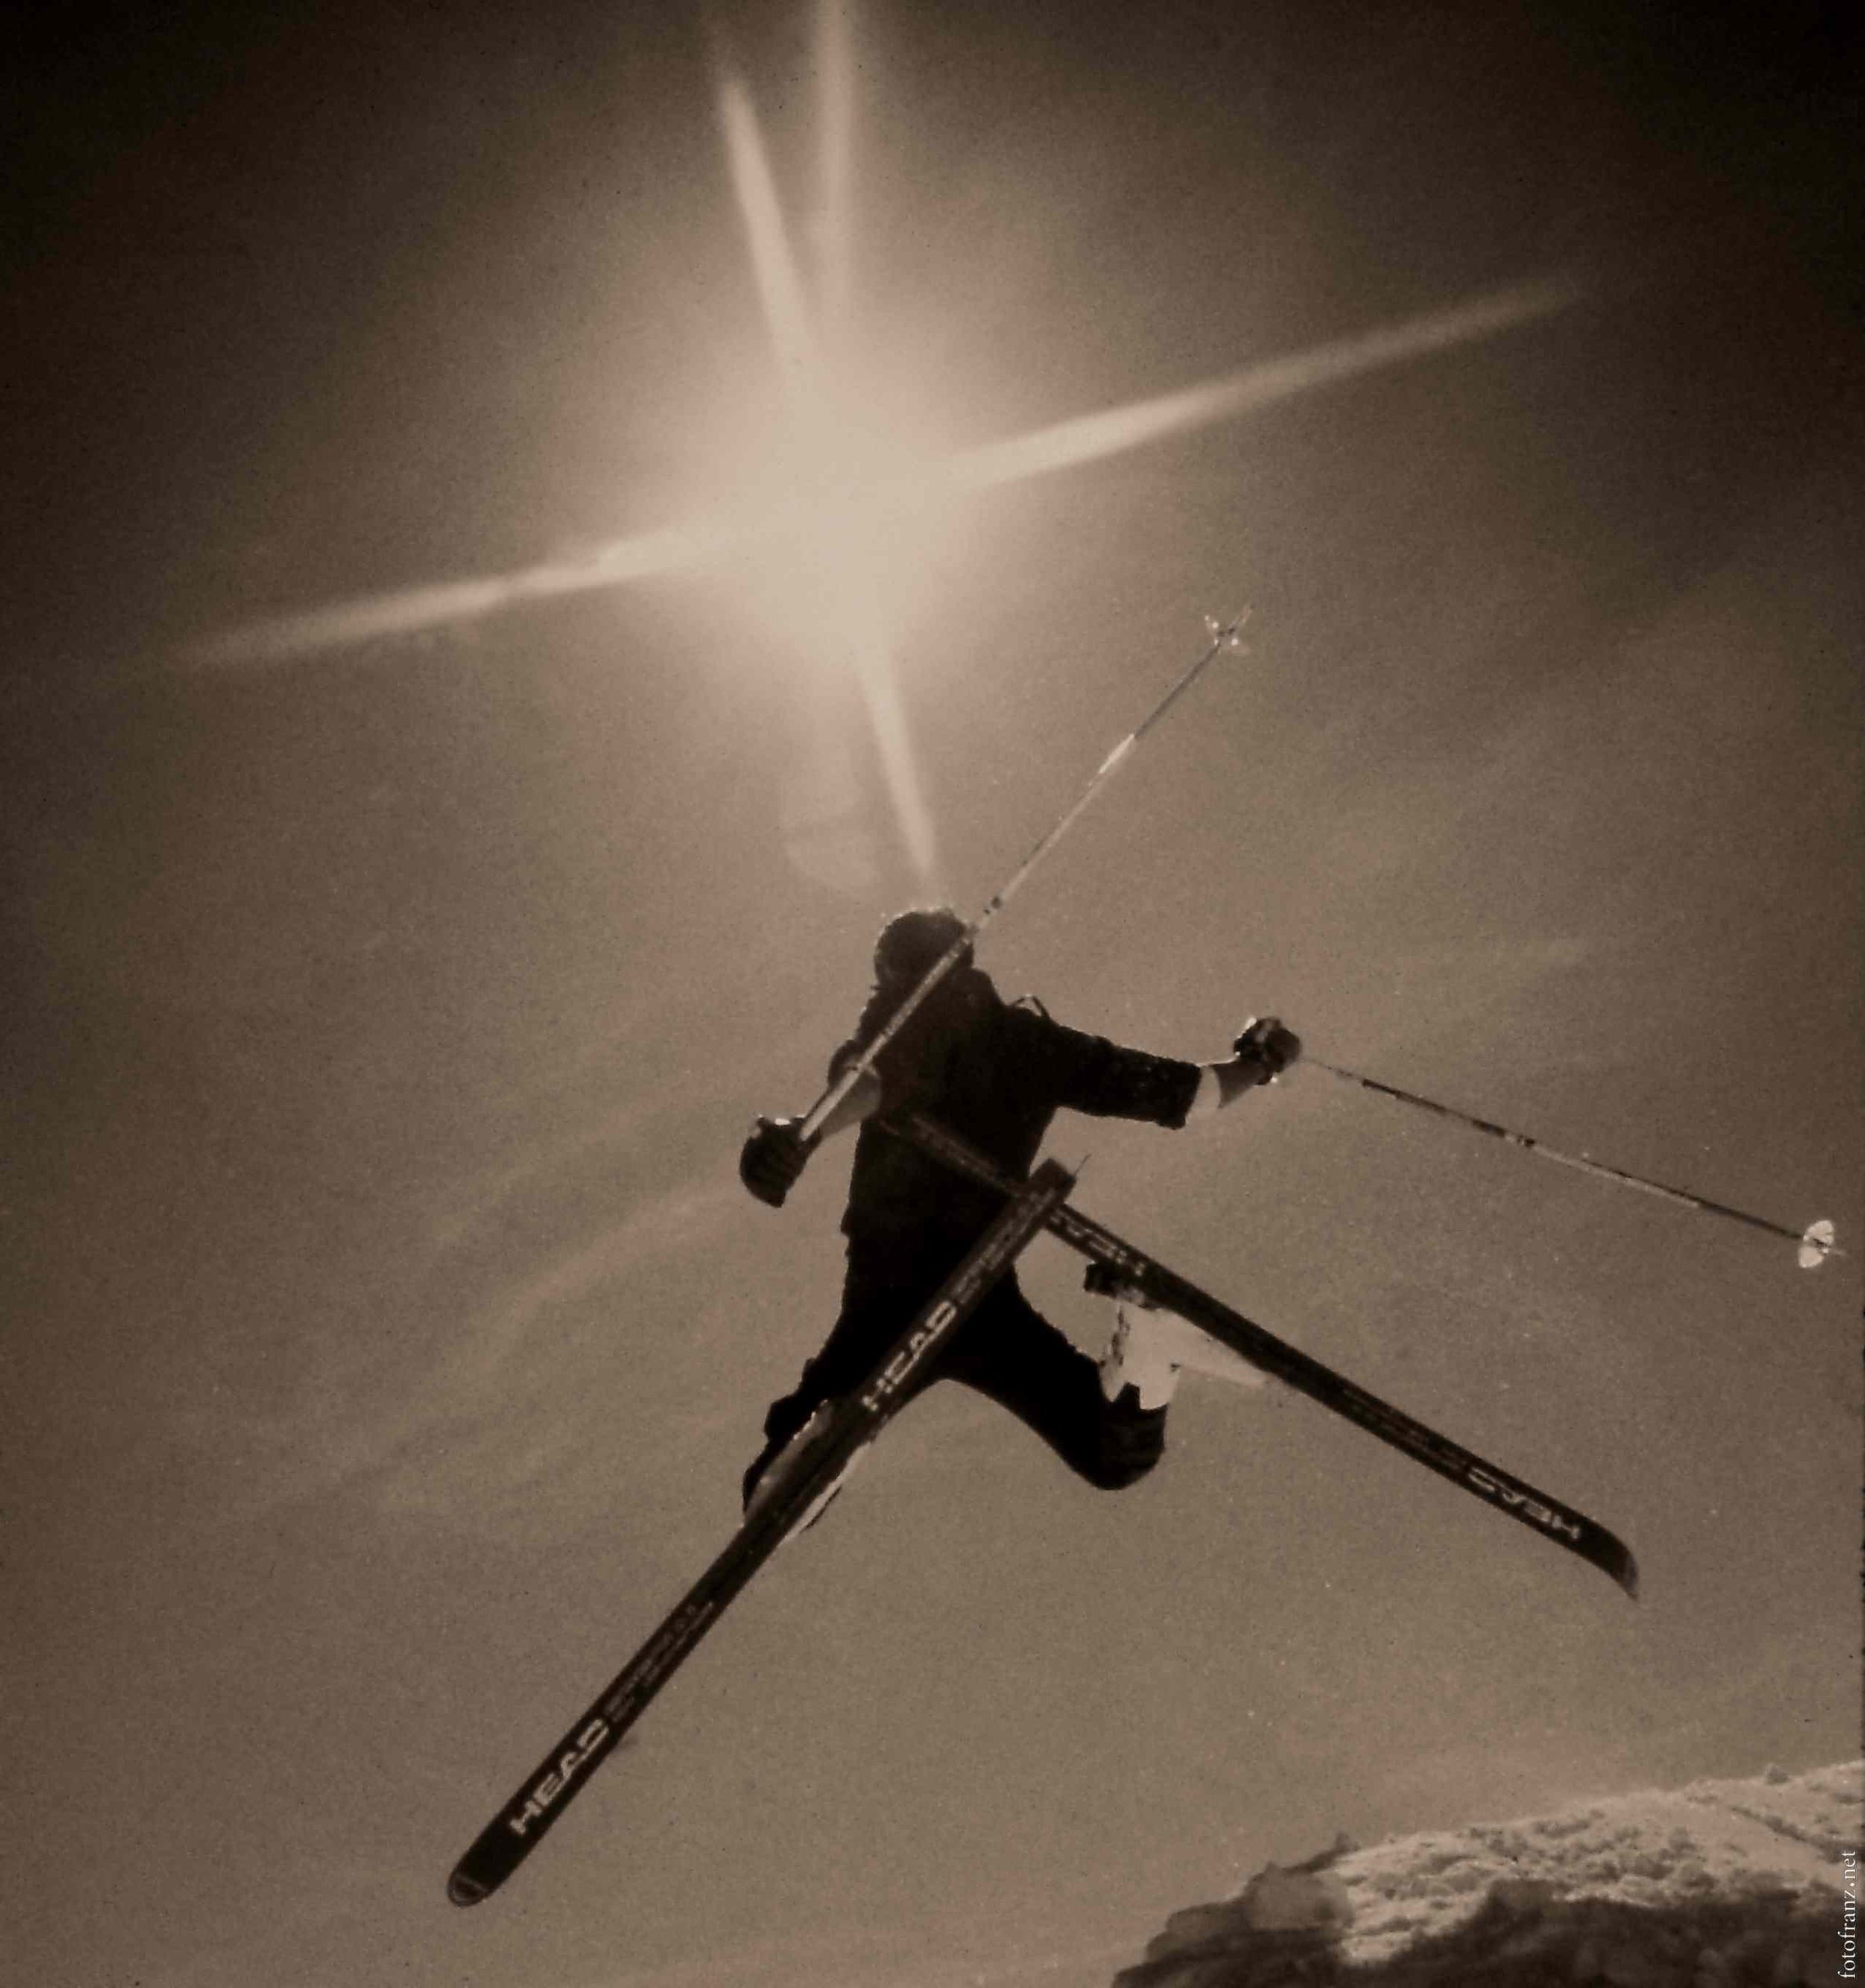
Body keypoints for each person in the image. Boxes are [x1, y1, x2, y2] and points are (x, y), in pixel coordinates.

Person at [736, 906, 1300, 1517]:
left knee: (789, 1453)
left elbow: (872, 1079)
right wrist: (1258, 1063)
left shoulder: (902, 1019)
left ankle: (807, 1443)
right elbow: (1187, 1096)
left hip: (893, 1280)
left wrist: (802, 1136)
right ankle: (1149, 1353)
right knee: (1111, 1456)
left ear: (893, 972)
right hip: (981, 1290)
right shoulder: (1033, 1044)